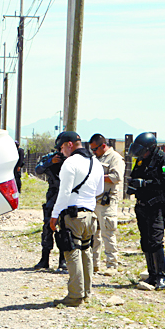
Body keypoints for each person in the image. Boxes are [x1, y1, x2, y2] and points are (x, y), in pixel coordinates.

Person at [49, 131, 104, 307]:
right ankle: (87, 293)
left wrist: (54, 215)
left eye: (61, 147)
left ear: (69, 145)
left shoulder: (70, 163)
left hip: (73, 215)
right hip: (90, 215)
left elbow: (64, 192)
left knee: (72, 253)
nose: (60, 151)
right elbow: (99, 190)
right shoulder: (96, 162)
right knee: (86, 252)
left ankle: (74, 296)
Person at [127, 132, 165, 290]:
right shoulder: (141, 160)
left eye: (143, 151)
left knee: (155, 241)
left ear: (151, 148)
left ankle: (161, 276)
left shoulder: (162, 160)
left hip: (156, 206)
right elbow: (134, 176)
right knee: (145, 241)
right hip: (141, 206)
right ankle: (152, 274)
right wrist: (134, 185)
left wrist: (146, 183)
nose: (140, 155)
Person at [88, 134, 125, 274]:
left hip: (107, 201)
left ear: (103, 146)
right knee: (93, 234)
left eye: (95, 149)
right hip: (94, 200)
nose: (93, 152)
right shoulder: (95, 158)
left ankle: (111, 264)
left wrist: (97, 177)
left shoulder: (114, 158)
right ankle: (93, 264)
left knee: (107, 233)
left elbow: (116, 177)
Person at [33, 147, 67, 271]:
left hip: (66, 196)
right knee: (47, 227)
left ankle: (63, 260)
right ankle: (44, 259)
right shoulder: (50, 157)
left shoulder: (73, 159)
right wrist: (51, 162)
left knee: (64, 228)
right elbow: (38, 169)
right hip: (52, 196)